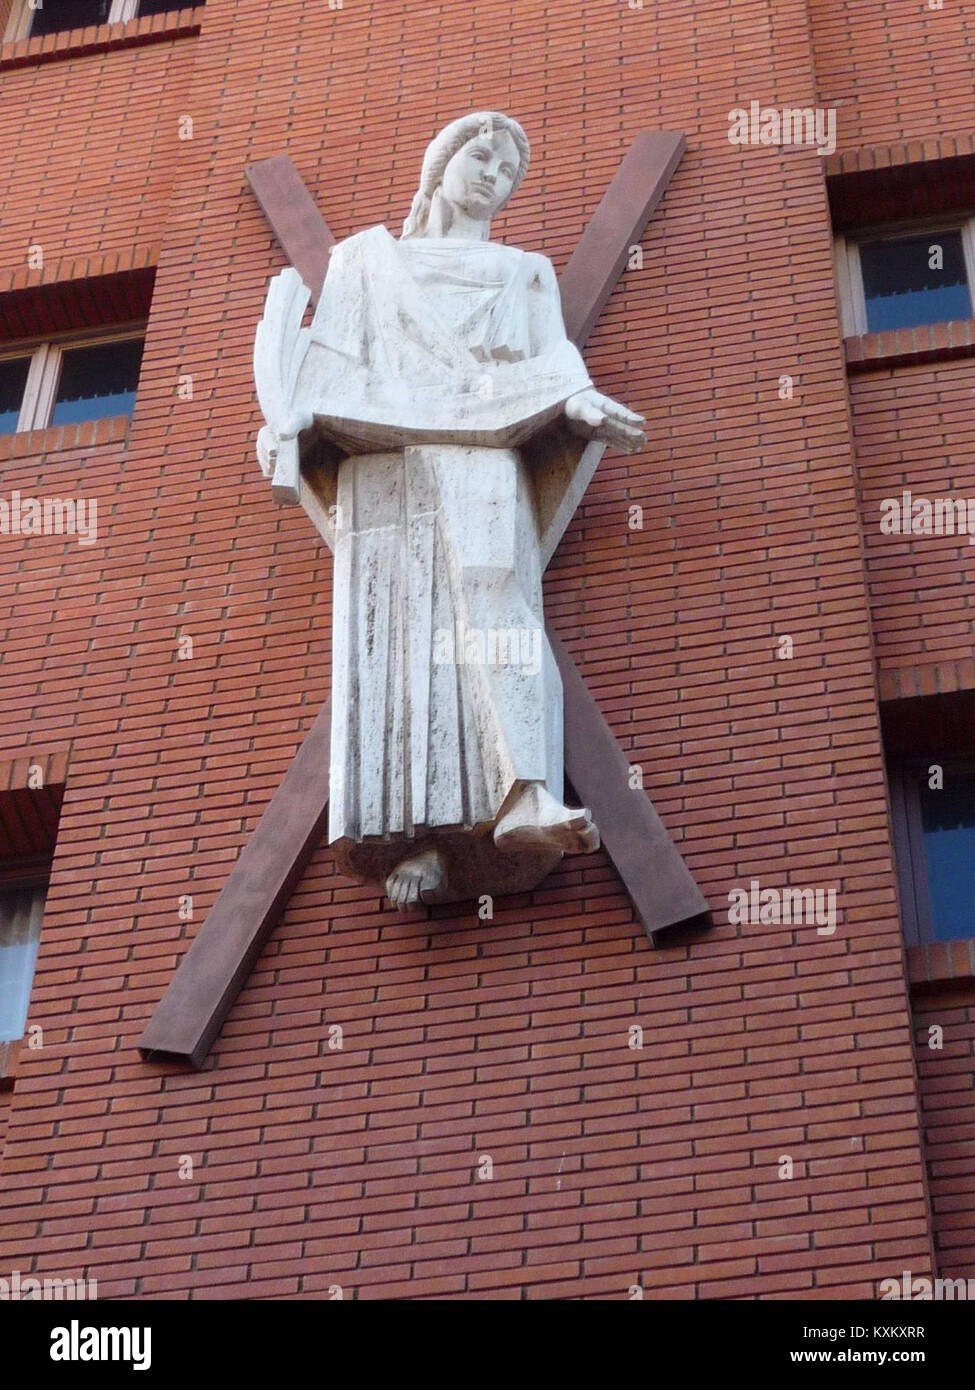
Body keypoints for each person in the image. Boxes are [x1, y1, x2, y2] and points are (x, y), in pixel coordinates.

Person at [258, 112, 645, 907]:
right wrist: (288, 428)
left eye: (508, 171)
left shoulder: (522, 271)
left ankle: (524, 793)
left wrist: (578, 404)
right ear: (440, 165)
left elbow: (553, 365)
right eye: (481, 156)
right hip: (384, 467)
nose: (493, 176)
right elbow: (326, 374)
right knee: (394, 631)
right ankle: (424, 834)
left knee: (496, 594)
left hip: (484, 452)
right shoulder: (369, 263)